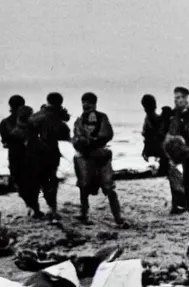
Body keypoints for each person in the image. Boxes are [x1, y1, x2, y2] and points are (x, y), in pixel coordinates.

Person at [73, 93, 126, 227]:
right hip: (87, 157)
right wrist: (82, 142)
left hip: (100, 157)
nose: (85, 105)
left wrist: (89, 142)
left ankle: (118, 217)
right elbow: (76, 138)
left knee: (108, 188)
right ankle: (84, 213)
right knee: (83, 187)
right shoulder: (79, 120)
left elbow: (107, 135)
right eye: (84, 102)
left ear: (94, 103)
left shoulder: (102, 118)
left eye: (88, 102)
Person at [27, 93, 71, 219]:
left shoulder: (36, 115)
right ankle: (53, 209)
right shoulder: (55, 117)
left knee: (35, 181)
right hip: (50, 152)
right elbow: (64, 134)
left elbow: (27, 133)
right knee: (51, 181)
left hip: (33, 153)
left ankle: (34, 209)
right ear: (60, 103)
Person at [0, 95, 30, 207]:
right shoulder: (31, 120)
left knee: (19, 181)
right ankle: (33, 205)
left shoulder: (5, 122)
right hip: (31, 154)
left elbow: (4, 142)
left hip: (15, 154)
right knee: (32, 181)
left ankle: (31, 205)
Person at [141, 94, 169, 177]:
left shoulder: (153, 119)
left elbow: (149, 135)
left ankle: (161, 170)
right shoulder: (152, 118)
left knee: (163, 161)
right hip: (158, 146)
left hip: (159, 145)